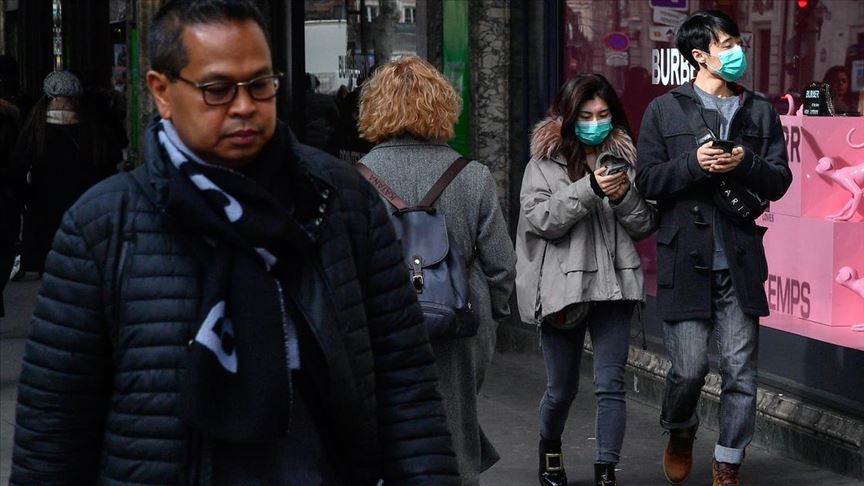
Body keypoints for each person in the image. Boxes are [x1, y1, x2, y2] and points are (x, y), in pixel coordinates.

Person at [10, 1, 458, 485]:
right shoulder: (103, 227)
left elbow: (405, 384)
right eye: (217, 89)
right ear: (162, 92)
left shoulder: (340, 201)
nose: (245, 106)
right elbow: (53, 434)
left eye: (260, 85)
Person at [635, 10, 792, 486]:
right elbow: (647, 180)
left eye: (737, 42)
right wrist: (694, 163)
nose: (737, 51)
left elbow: (780, 181)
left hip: (740, 258)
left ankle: (728, 462)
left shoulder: (760, 111)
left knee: (741, 371)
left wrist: (745, 162)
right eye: (726, 44)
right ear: (699, 55)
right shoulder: (664, 110)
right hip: (685, 257)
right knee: (687, 369)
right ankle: (680, 428)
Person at [357, 56, 516, 486]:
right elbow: (501, 265)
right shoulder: (473, 177)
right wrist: (490, 319)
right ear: (442, 106)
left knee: (388, 421)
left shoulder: (355, 180)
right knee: (454, 424)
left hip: (381, 320)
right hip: (460, 318)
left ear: (375, 107)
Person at [515, 73, 656, 486]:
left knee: (611, 384)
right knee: (561, 388)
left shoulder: (625, 160)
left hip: (615, 286)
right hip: (565, 288)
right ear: (568, 117)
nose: (596, 123)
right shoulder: (543, 164)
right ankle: (550, 447)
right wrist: (591, 187)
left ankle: (606, 471)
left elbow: (644, 224)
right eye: (586, 115)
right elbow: (542, 219)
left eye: (603, 114)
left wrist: (623, 195)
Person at [11, 70, 121, 278]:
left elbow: (18, 165)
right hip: (84, 199)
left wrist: (24, 196)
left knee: (48, 251)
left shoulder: (36, 125)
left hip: (43, 199)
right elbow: (108, 162)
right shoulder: (92, 125)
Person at [0, 97, 21, 317]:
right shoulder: (10, 116)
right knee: (5, 246)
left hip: (6, 190)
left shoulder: (8, 117)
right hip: (5, 192)